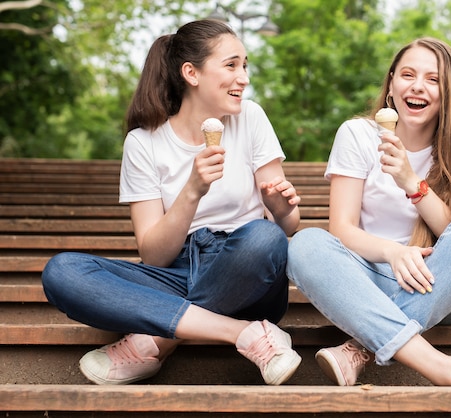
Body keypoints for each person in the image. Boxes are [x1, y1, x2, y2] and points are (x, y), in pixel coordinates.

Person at [42, 19, 302, 386]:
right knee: (62, 272)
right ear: (191, 73)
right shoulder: (143, 143)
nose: (243, 77)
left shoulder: (251, 118)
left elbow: (287, 228)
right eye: (231, 65)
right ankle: (243, 333)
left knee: (264, 237)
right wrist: (192, 190)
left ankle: (158, 340)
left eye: (245, 65)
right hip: (173, 273)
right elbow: (154, 257)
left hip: (245, 273)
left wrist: (282, 207)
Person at [287, 37, 451, 387]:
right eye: (407, 74)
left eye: (433, 79)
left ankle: (362, 346)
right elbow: (341, 230)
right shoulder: (357, 134)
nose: (418, 86)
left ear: (448, 92)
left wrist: (411, 182)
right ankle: (446, 369)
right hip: (365, 282)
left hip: (443, 286)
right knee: (305, 245)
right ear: (391, 83)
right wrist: (394, 252)